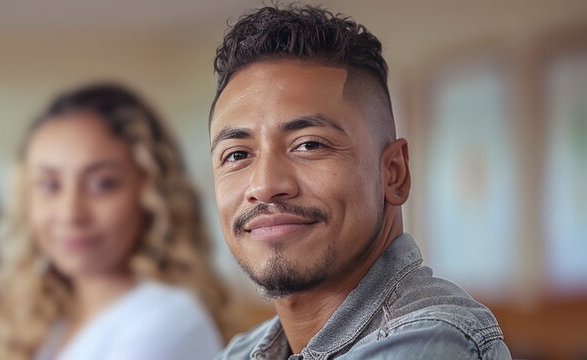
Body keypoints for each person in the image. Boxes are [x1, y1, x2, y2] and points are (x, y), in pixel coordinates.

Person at [208, 4, 512, 359]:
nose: (263, 185)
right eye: (237, 155)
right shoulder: (242, 351)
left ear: (393, 174)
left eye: (309, 144)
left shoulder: (432, 341)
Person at [0, 84, 231, 360]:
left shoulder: (165, 321)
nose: (71, 213)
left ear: (152, 195)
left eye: (102, 184)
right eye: (50, 185)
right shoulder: (52, 325)